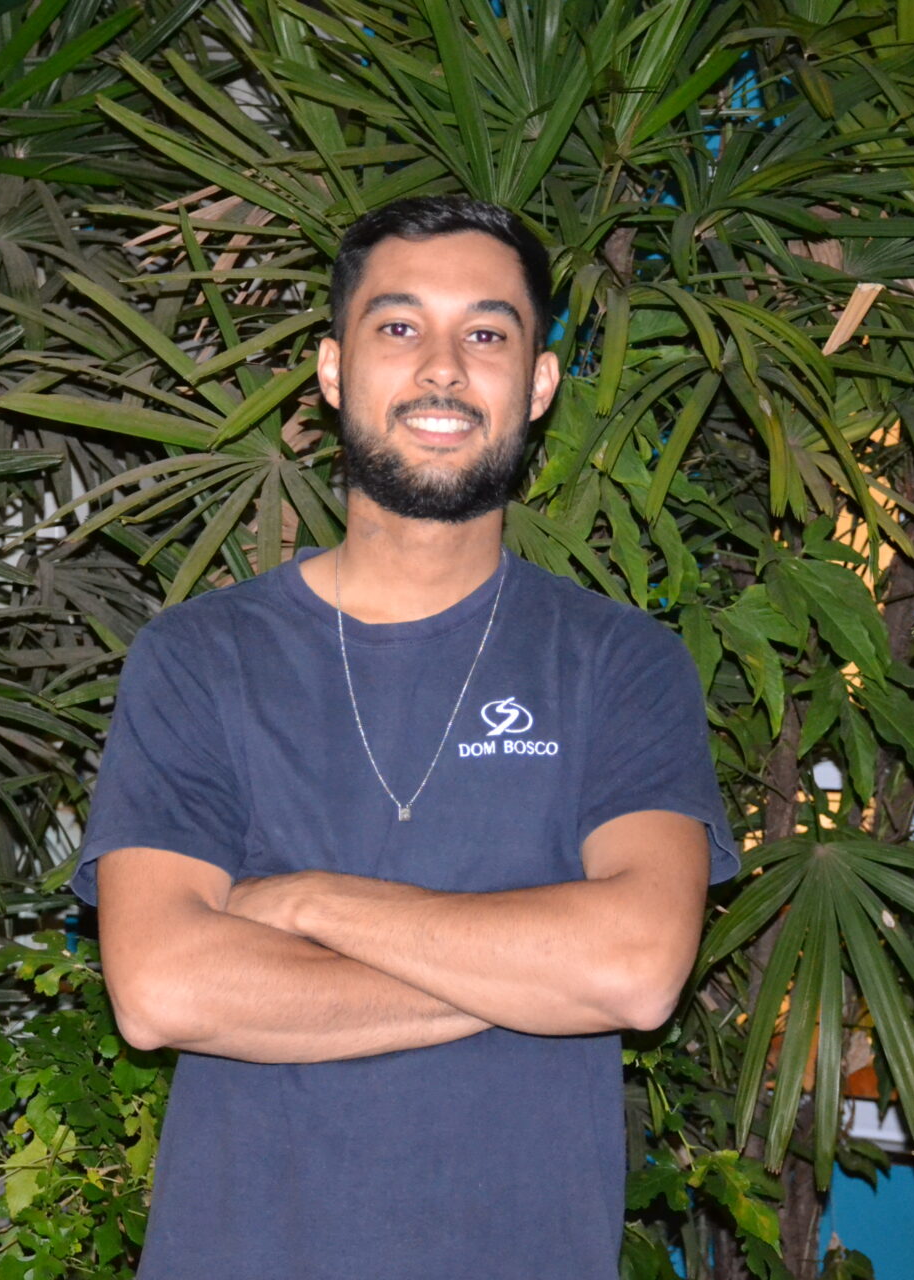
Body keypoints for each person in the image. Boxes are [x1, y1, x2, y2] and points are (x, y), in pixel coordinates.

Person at [70, 196, 737, 1278]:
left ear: (540, 384)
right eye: (398, 326)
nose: (442, 369)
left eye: (486, 334)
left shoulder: (621, 663)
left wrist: (305, 903)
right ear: (334, 371)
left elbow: (634, 968)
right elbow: (161, 990)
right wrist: (524, 975)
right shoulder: (199, 656)